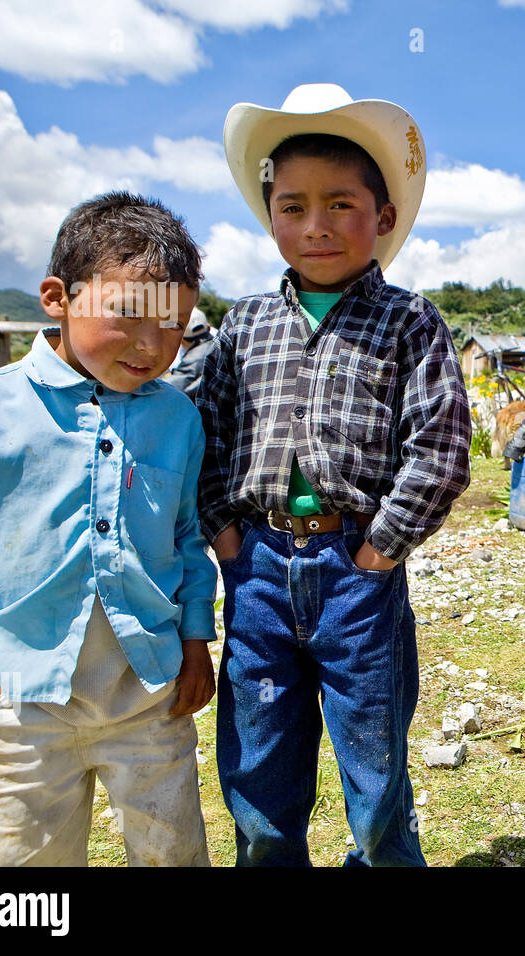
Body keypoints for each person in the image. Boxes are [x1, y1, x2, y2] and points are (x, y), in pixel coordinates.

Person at [199, 84, 470, 866]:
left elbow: (443, 445)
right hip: (255, 571)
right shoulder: (243, 324)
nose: (315, 225)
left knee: (375, 762)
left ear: (383, 217)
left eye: (340, 203)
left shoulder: (407, 320)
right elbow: (208, 435)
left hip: (358, 573)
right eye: (293, 205)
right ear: (270, 213)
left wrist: (380, 549)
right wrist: (223, 531)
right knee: (256, 760)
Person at [0, 191, 217, 866]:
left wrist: (197, 641)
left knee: (172, 851)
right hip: (23, 703)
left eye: (174, 326)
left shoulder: (176, 419)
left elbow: (188, 537)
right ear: (58, 297)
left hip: (147, 696)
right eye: (129, 315)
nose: (152, 344)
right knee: (29, 869)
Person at [163, 307, 216, 396]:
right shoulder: (214, 345)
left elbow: (170, 387)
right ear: (208, 328)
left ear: (181, 339)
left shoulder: (195, 357)